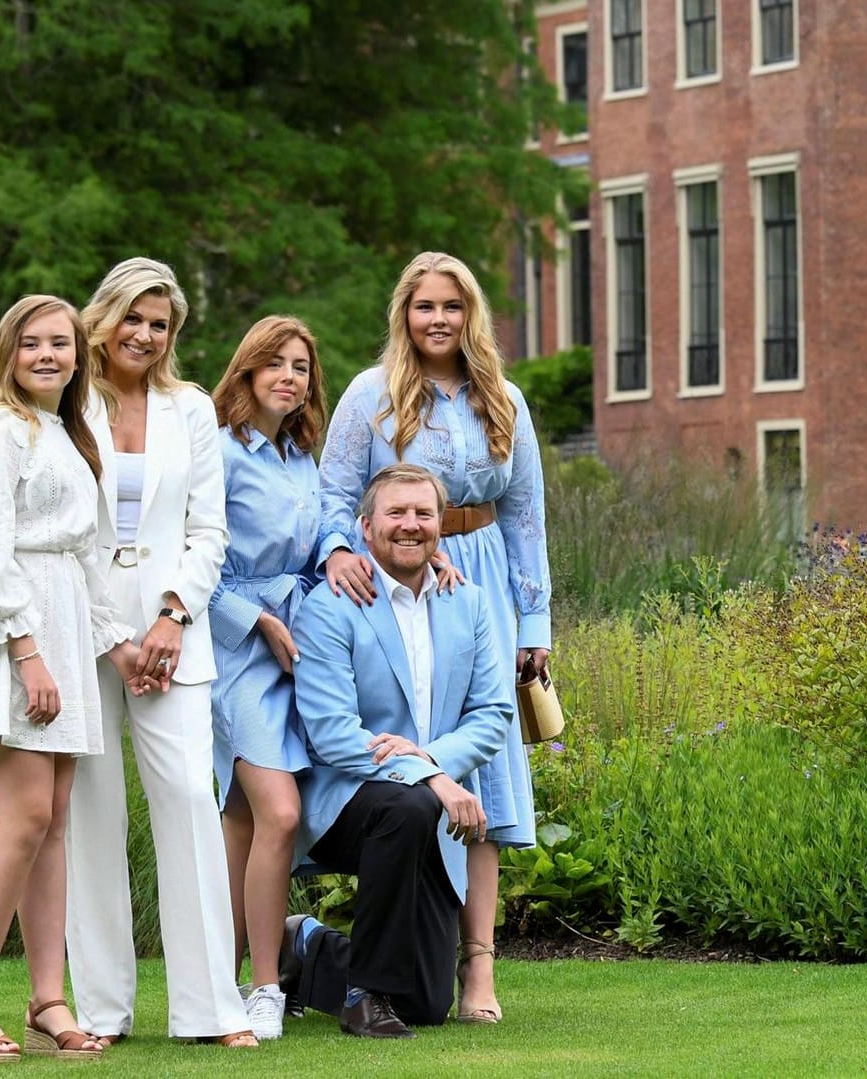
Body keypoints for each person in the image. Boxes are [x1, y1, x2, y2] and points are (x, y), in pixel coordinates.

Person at [318, 251, 551, 1024]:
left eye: (453, 304)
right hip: (395, 568)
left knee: (482, 782)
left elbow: (524, 516)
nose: (439, 318)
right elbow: (335, 493)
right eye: (425, 306)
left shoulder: (503, 398)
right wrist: (339, 551)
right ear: (404, 314)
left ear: (471, 313)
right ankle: (375, 960)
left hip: (477, 582)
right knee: (413, 772)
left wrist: (535, 622)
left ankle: (478, 968)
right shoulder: (369, 396)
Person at [0, 295, 149, 1061]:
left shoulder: (63, 432)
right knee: (25, 816)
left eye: (60, 343)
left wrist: (113, 641)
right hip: (14, 633)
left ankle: (47, 998)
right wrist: (28, 652)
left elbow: (85, 562)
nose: (48, 355)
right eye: (32, 343)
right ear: (8, 353)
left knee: (54, 823)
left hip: (60, 627)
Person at [64, 257, 255, 1046]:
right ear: (102, 318)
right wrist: (116, 639)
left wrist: (174, 616)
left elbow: (209, 528)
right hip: (82, 630)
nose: (143, 334)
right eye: (132, 318)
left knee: (187, 803)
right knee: (91, 813)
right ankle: (102, 1011)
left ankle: (210, 1009)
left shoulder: (191, 410)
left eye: (159, 323)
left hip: (179, 634)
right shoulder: (64, 406)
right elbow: (66, 535)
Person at [283, 463, 514, 1038]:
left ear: (440, 527)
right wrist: (429, 777)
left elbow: (493, 716)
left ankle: (306, 945)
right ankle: (364, 997)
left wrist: (427, 763)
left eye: (423, 514)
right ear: (365, 527)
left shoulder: (472, 604)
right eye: (395, 513)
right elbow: (332, 732)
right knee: (407, 806)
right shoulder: (330, 606)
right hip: (347, 800)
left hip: (428, 811)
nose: (410, 525)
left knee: (427, 1005)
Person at [204, 316, 328, 1040]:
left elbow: (319, 554)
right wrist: (260, 622)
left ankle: (216, 981)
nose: (290, 376)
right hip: (240, 651)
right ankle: (264, 985)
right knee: (277, 812)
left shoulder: (302, 459)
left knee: (246, 820)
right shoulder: (219, 453)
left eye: (302, 366)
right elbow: (197, 566)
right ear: (246, 372)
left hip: (301, 650)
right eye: (275, 363)